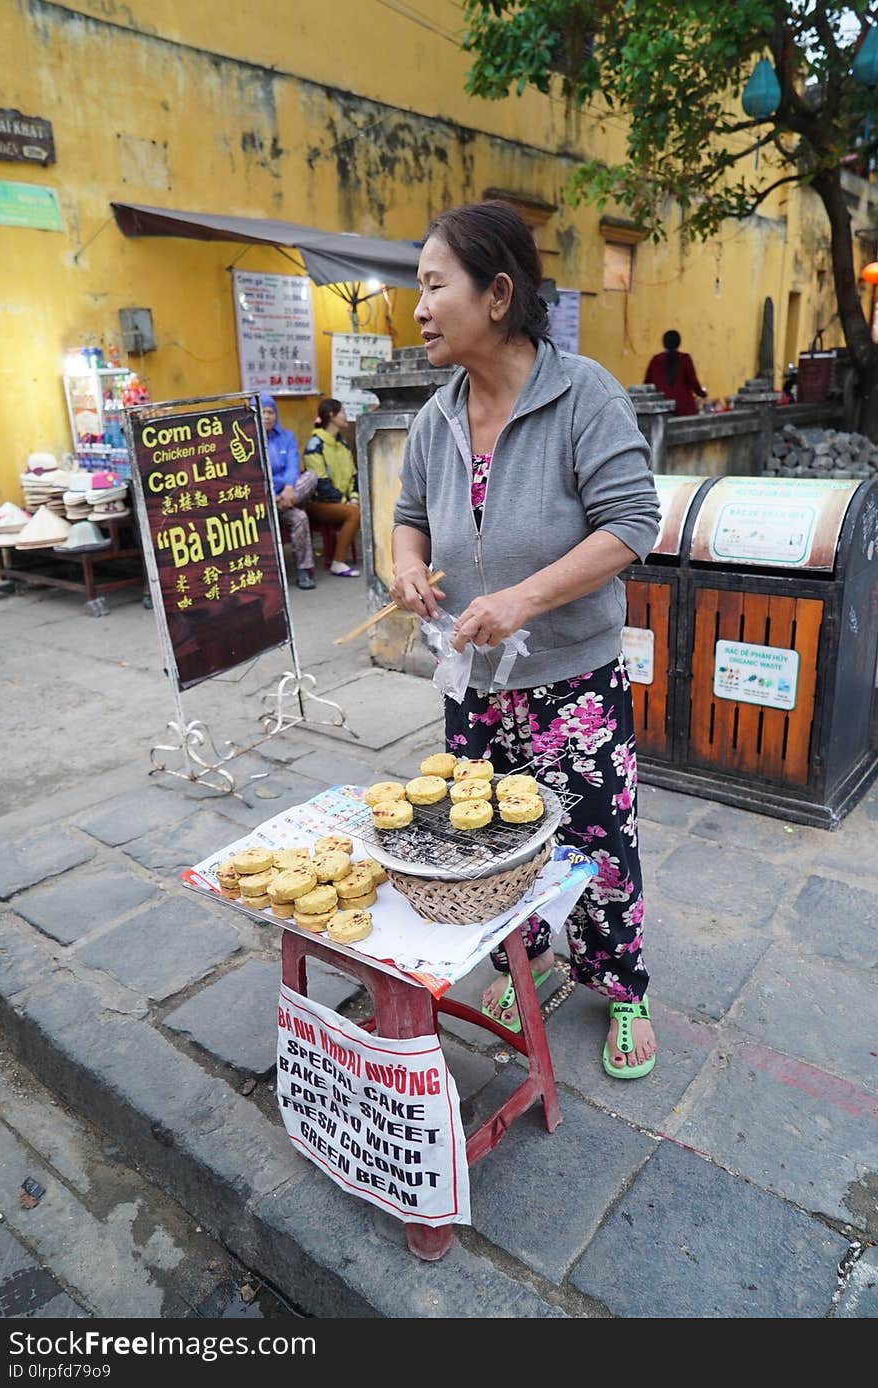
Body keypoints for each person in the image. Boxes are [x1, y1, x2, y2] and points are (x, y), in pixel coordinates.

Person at [390, 201, 661, 1079]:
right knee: (499, 846)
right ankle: (531, 963)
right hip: (472, 685)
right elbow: (406, 519)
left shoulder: (583, 394)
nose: (419, 307)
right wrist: (407, 565)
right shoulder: (436, 419)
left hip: (570, 685)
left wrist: (522, 599)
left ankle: (622, 988)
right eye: (418, 288)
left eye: (435, 286)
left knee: (595, 843)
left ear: (498, 293)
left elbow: (632, 523)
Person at [260, 394, 317, 590]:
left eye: (270, 412)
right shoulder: (247, 441)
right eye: (262, 412)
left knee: (310, 476)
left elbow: (293, 465)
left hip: (287, 495)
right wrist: (278, 490)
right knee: (300, 515)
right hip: (264, 500)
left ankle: (303, 571)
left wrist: (289, 488)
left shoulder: (287, 437)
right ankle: (277, 503)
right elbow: (259, 473)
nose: (267, 416)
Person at [303, 400, 361, 577]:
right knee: (354, 513)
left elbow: (353, 475)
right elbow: (320, 483)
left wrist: (354, 496)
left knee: (360, 509)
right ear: (331, 415)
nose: (346, 416)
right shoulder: (315, 445)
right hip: (318, 503)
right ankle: (338, 561)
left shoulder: (342, 445)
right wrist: (346, 502)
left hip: (342, 502)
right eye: (343, 412)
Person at [644, 329, 707, 417]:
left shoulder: (656, 360)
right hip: (685, 408)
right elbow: (693, 381)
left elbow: (647, 384)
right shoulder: (685, 359)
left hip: (662, 408)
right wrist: (702, 394)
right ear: (679, 343)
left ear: (664, 343)